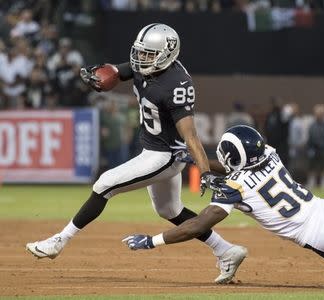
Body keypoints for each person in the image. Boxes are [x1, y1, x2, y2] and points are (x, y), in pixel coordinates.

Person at [26, 23, 247, 284]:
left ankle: (59, 240)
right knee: (169, 210)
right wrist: (98, 75)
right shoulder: (146, 66)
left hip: (164, 155)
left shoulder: (175, 84)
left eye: (148, 54)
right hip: (153, 149)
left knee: (104, 184)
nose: (141, 59)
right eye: (140, 53)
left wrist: (205, 173)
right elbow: (116, 72)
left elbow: (191, 136)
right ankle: (226, 250)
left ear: (167, 54)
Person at [123, 125, 324, 277]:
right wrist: (204, 166)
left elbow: (197, 225)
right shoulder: (269, 153)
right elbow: (240, 167)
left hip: (323, 235)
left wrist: (152, 241)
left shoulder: (235, 188)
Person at [306, 104, 324, 190]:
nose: (320, 115)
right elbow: (310, 138)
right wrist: (310, 149)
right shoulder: (312, 126)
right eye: (318, 113)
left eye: (322, 113)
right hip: (314, 150)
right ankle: (311, 183)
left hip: (323, 150)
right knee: (312, 167)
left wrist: (323, 146)